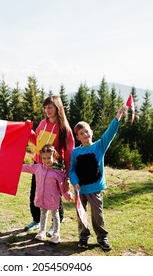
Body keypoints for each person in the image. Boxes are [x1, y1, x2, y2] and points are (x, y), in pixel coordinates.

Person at [68, 105, 127, 251]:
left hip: (94, 189)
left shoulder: (99, 147)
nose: (85, 135)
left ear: (91, 132)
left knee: (97, 215)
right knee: (82, 215)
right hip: (80, 190)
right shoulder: (75, 152)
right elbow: (71, 170)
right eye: (81, 133)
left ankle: (102, 237)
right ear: (78, 137)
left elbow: (110, 133)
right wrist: (74, 183)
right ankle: (83, 236)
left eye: (87, 131)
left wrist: (118, 116)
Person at [26, 95, 74, 237]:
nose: (47, 110)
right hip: (39, 164)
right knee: (36, 191)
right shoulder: (42, 123)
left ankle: (55, 223)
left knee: (54, 196)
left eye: (50, 107)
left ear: (57, 108)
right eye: (45, 107)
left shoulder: (65, 129)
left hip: (55, 167)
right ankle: (36, 220)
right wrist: (29, 131)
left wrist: (67, 175)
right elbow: (37, 141)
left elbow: (69, 153)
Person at [22, 145, 73, 244]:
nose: (46, 160)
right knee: (43, 214)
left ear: (54, 156)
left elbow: (62, 186)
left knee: (55, 216)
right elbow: (26, 167)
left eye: (49, 158)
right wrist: (15, 165)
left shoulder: (58, 172)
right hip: (41, 198)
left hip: (53, 199)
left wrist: (67, 195)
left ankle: (56, 234)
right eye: (44, 158)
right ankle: (42, 232)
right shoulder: (38, 168)